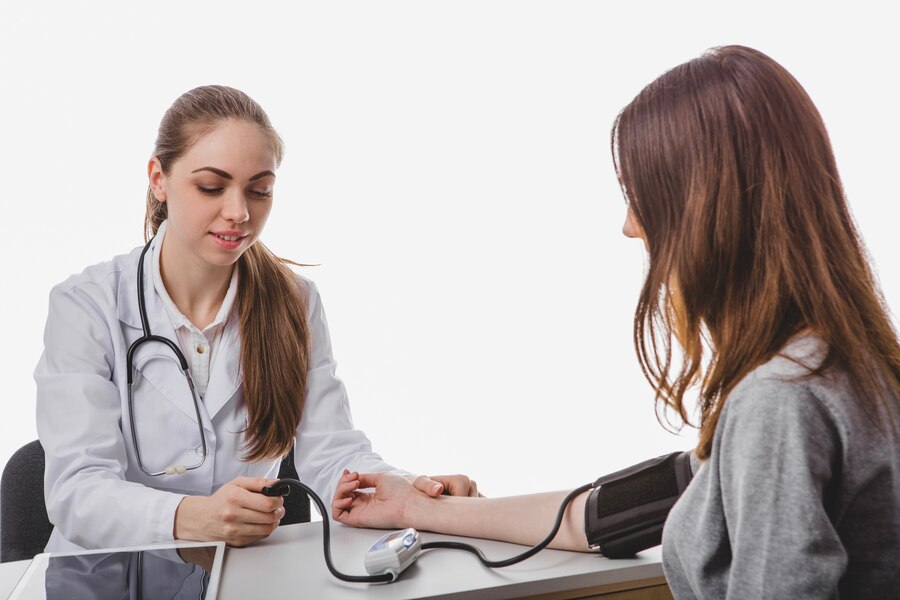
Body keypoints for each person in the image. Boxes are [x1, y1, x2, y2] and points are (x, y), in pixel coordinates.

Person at [332, 46, 900, 598]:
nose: (629, 226)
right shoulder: (850, 368)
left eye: (638, 194)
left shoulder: (778, 402)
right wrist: (423, 508)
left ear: (703, 208)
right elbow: (611, 515)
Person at [35, 85, 477, 553]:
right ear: (158, 178)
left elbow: (331, 453)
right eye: (211, 187)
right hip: (105, 576)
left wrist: (408, 491)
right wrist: (192, 516)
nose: (239, 213)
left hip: (243, 572)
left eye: (259, 190)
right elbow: (76, 491)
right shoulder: (87, 306)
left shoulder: (294, 301)